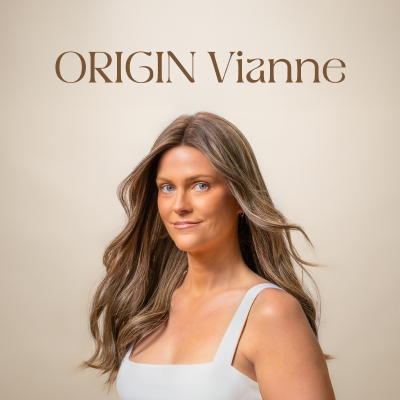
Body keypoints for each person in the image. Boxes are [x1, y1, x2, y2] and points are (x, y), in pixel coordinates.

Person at [80, 111, 336, 400]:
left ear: (240, 197)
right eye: (167, 187)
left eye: (200, 185)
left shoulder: (272, 313)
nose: (179, 205)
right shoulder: (145, 304)